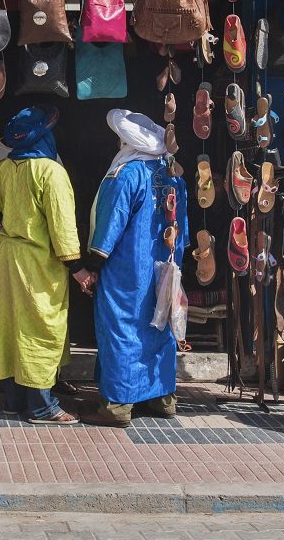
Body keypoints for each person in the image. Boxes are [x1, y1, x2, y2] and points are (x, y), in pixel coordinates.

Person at [0, 106, 82, 424]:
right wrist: (77, 267)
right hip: (39, 263)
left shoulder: (4, 168)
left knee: (11, 329)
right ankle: (42, 406)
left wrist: (3, 216)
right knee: (41, 329)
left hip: (8, 258)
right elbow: (63, 228)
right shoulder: (51, 172)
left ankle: (15, 401)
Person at [73, 109, 188, 428]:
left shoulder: (125, 174)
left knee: (122, 327)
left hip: (127, 270)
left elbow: (111, 223)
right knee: (159, 325)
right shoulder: (173, 174)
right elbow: (183, 228)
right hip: (165, 266)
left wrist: (94, 264)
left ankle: (118, 406)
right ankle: (162, 397)